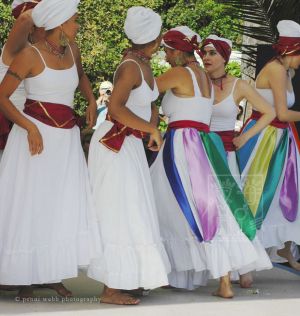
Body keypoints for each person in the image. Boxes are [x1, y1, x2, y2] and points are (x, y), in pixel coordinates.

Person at [150, 26, 267, 299]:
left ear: (178, 50)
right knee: (210, 208)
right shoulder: (204, 76)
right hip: (204, 145)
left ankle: (172, 270)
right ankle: (221, 280)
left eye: (167, 50)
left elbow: (144, 88)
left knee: (168, 204)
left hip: (182, 144)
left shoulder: (179, 73)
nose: (165, 57)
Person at [0, 0, 100, 298]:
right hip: (34, 140)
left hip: (65, 141)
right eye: (74, 19)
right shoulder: (28, 55)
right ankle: (24, 277)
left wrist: (92, 100)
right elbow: (3, 97)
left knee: (59, 204)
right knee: (32, 203)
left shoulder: (73, 50)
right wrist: (29, 127)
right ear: (57, 22)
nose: (78, 24)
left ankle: (54, 272)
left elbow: (80, 77)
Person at [87, 6, 170, 305]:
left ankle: (128, 277)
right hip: (114, 144)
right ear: (155, 38)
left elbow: (142, 104)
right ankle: (110, 288)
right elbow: (117, 109)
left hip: (130, 144)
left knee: (133, 208)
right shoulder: (130, 67)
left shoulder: (142, 64)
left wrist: (149, 128)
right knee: (118, 209)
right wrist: (152, 128)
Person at [201, 34, 275, 287]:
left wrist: (244, 137)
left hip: (225, 156)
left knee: (232, 209)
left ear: (224, 56)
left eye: (212, 53)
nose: (207, 57)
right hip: (199, 153)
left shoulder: (239, 85)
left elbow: (270, 112)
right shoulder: (196, 81)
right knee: (204, 208)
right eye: (204, 52)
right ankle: (203, 267)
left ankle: (244, 264)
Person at [237, 20, 300, 270]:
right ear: (291, 50)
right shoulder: (276, 70)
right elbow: (282, 114)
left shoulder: (286, 71)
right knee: (258, 194)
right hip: (265, 137)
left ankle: (285, 248)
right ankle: (244, 251)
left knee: (285, 193)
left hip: (280, 138)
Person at [0, 0, 44, 162]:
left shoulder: (41, 52)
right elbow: (25, 19)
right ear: (32, 27)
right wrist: (54, 7)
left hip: (29, 127)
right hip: (13, 126)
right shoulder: (15, 48)